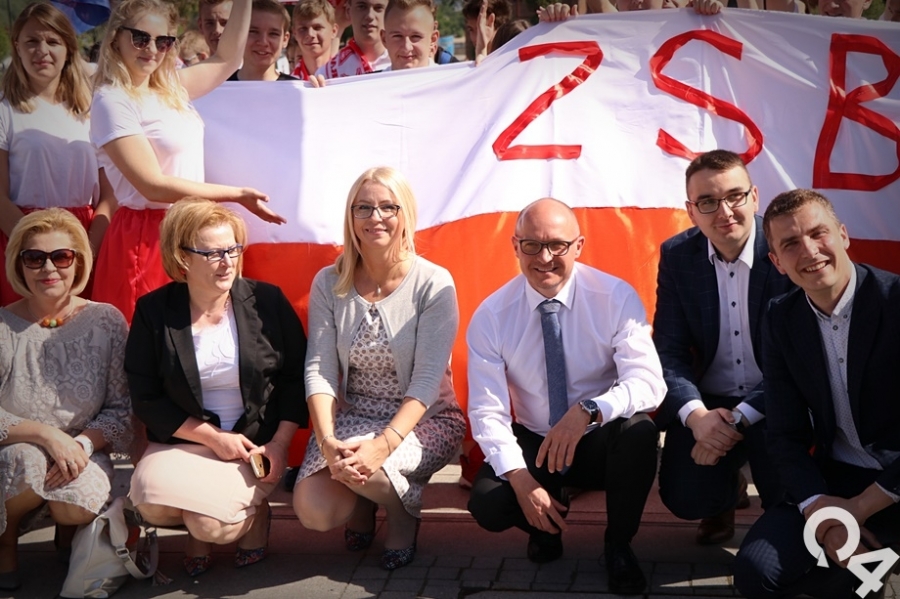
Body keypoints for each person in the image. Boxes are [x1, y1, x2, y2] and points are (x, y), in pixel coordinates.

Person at [466, 198, 666, 595]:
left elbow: (649, 382)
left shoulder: (614, 296)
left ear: (578, 246)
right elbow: (487, 410)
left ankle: (618, 545)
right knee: (488, 503)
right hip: (537, 438)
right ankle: (545, 525)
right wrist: (521, 480)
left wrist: (590, 410)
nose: (545, 258)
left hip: (596, 436)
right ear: (515, 246)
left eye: (558, 245)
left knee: (640, 433)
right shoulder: (491, 315)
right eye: (532, 245)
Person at [293, 167, 466, 571]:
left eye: (389, 207)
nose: (376, 217)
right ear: (350, 215)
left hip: (426, 421)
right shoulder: (328, 282)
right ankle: (366, 500)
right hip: (355, 417)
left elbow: (426, 380)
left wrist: (383, 445)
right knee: (315, 511)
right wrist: (327, 439)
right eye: (364, 208)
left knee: (372, 470)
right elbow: (319, 368)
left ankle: (403, 515)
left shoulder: (433, 283)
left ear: (406, 214)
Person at [125, 198, 307, 577]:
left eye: (232, 249)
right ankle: (202, 522)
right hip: (183, 441)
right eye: (211, 253)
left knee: (213, 528)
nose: (227, 262)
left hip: (253, 444)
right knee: (150, 504)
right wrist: (211, 438)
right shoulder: (153, 311)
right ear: (182, 257)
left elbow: (295, 378)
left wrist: (279, 444)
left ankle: (247, 518)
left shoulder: (268, 301)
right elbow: (145, 396)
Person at [732, 190, 900, 599]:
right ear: (777, 262)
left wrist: (856, 511)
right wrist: (820, 513)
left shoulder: (894, 301)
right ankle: (869, 572)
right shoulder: (780, 317)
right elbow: (784, 434)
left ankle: (874, 571)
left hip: (894, 478)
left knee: (851, 583)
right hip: (835, 479)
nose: (808, 251)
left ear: (843, 235)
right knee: (755, 574)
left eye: (818, 233)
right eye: (790, 243)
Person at [90, 0, 286, 324]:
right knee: (151, 341)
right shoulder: (111, 100)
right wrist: (236, 195)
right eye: (140, 38)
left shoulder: (171, 87)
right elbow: (152, 185)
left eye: (163, 41)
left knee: (198, 337)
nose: (152, 49)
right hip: (146, 236)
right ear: (115, 37)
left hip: (191, 229)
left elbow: (228, 59)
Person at [653, 150, 790, 545]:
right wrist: (697, 417)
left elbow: (797, 362)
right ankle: (725, 495)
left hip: (778, 398)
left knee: (787, 493)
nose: (725, 211)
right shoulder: (677, 256)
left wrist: (738, 419)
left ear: (755, 197)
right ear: (691, 211)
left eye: (735, 196)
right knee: (685, 496)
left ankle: (782, 533)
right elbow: (668, 351)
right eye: (708, 202)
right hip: (709, 401)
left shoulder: (786, 249)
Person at [0, 209, 131, 592]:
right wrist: (46, 435)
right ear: (19, 264)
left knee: (75, 502)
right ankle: (5, 540)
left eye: (61, 256)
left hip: (84, 449)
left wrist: (80, 445)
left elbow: (121, 410)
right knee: (24, 461)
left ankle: (67, 531)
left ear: (78, 262)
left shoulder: (107, 321)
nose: (48, 269)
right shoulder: (2, 326)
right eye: (34, 258)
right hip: (15, 448)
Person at [0, 2, 116, 305]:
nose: (42, 50)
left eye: (52, 41)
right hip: (22, 238)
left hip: (83, 239)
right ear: (17, 46)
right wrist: (36, 250)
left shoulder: (94, 110)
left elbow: (109, 196)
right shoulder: (4, 109)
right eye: (32, 41)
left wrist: (86, 249)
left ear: (68, 48)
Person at [227, 0, 297, 81]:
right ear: (239, 34)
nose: (263, 42)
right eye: (253, 32)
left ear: (285, 39)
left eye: (273, 34)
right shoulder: (219, 86)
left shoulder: (298, 87)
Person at [318, 0, 391, 78]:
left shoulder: (400, 63)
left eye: (378, 8)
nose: (370, 16)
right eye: (362, 6)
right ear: (348, 11)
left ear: (390, 13)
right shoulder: (327, 74)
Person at [381, 0, 439, 71]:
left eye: (416, 36)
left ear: (433, 40)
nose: (407, 48)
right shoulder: (373, 78)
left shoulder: (447, 77)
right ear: (384, 39)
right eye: (397, 36)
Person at [291, 0, 339, 80]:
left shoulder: (350, 73)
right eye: (303, 29)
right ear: (294, 33)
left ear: (334, 31)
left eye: (317, 27)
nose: (310, 34)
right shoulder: (288, 84)